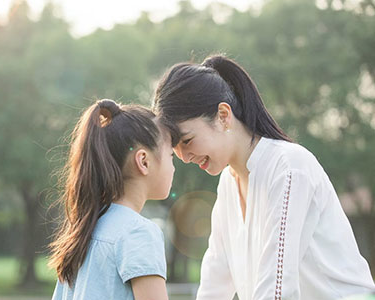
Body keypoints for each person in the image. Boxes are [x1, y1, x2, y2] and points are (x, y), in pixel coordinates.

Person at [153, 54, 375, 300]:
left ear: (223, 116)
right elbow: (215, 281)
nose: (184, 157)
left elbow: (277, 289)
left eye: (187, 141)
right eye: (176, 150)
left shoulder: (288, 167)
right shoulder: (228, 182)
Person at [49, 99, 175, 300]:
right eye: (171, 155)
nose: (173, 166)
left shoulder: (83, 230)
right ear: (144, 161)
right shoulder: (139, 233)